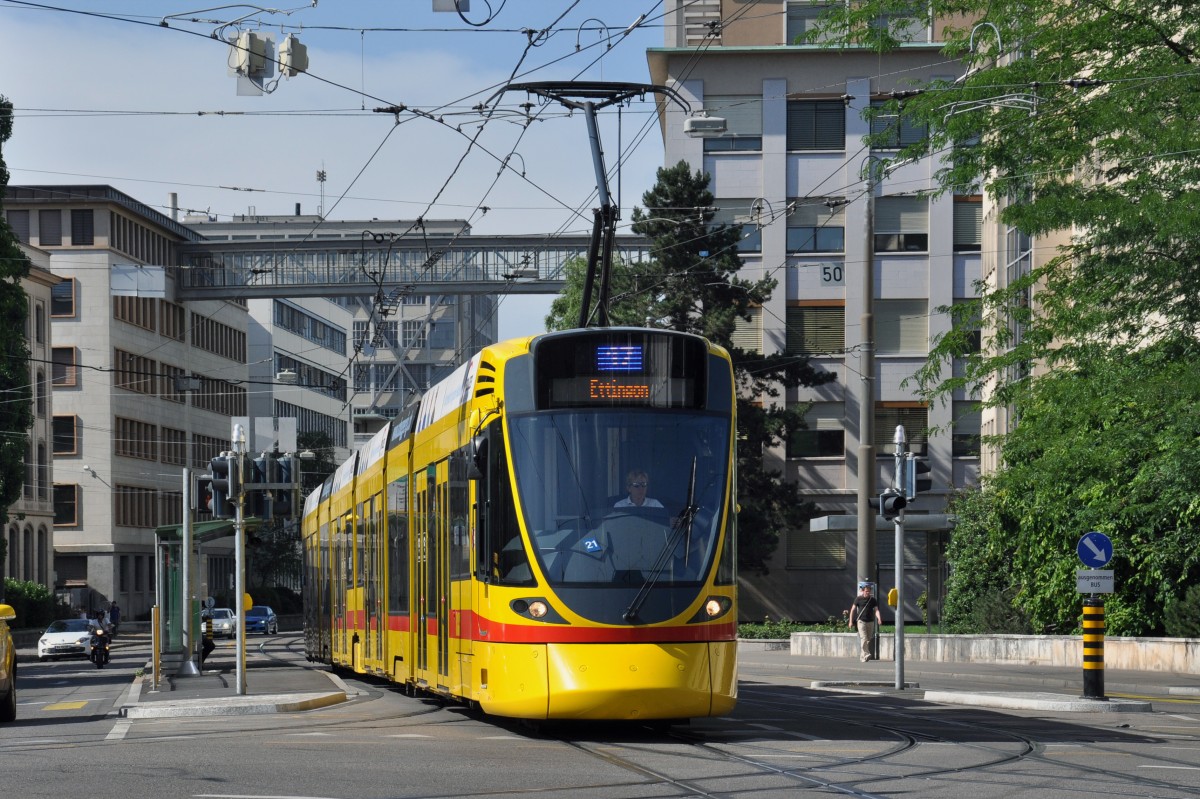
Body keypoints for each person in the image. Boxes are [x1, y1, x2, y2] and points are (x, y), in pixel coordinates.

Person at [848, 582, 882, 662]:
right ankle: (866, 654)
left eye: (869, 591)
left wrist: (879, 618)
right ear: (863, 591)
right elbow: (852, 610)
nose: (868, 592)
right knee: (864, 638)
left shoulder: (873, 600)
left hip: (870, 621)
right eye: (866, 591)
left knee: (868, 640)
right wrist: (850, 621)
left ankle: (863, 656)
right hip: (861, 621)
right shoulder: (858, 599)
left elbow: (876, 610)